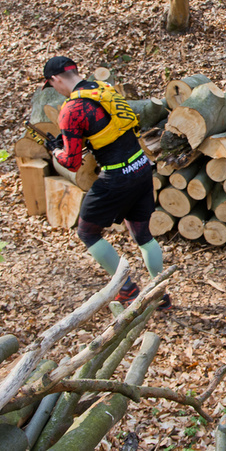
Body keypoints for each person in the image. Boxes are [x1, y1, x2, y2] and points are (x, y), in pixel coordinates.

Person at [41, 56, 170, 310]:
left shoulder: (72, 110)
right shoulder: (104, 89)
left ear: (55, 79)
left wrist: (55, 151)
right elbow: (111, 131)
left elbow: (72, 162)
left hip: (116, 177)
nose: (55, 90)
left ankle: (126, 290)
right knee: (143, 236)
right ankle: (160, 293)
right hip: (141, 167)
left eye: (52, 85)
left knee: (87, 232)